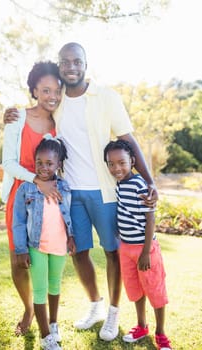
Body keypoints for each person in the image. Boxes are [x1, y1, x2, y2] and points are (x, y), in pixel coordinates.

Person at [3, 42, 158, 342]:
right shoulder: (56, 103)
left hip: (105, 192)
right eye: (66, 62)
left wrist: (149, 180)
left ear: (86, 64)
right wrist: (10, 113)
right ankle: (96, 306)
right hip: (70, 193)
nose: (71, 67)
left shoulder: (106, 97)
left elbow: (128, 138)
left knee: (113, 253)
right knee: (79, 253)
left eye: (77, 61)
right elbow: (36, 106)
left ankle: (113, 314)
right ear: (60, 66)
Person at [2, 61, 63, 336]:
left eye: (56, 90)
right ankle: (28, 308)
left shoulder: (58, 123)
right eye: (46, 90)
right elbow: (9, 163)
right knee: (18, 258)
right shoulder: (17, 119)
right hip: (20, 193)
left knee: (41, 257)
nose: (52, 96)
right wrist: (36, 180)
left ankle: (43, 313)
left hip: (47, 200)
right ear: (35, 90)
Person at [104, 139, 172, 350]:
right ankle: (141, 326)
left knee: (155, 289)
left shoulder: (139, 184)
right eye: (111, 164)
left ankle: (161, 334)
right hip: (126, 249)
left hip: (145, 249)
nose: (117, 168)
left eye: (122, 162)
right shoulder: (119, 184)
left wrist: (145, 252)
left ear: (132, 160)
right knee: (134, 289)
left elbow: (150, 219)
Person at [13, 136, 76, 350]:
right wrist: (21, 250)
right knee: (40, 290)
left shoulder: (65, 187)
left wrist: (71, 237)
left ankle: (53, 324)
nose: (43, 167)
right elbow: (19, 222)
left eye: (49, 163)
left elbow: (69, 216)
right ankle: (45, 335)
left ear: (58, 164)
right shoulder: (26, 189)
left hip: (59, 247)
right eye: (39, 162)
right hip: (36, 247)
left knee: (55, 285)